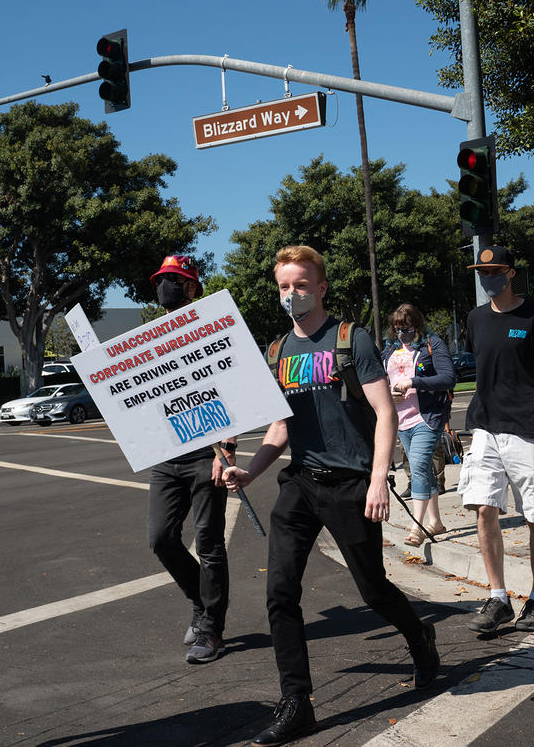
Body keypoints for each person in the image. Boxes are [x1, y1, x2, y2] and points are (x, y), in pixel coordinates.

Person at [223, 246, 440, 746]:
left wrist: (377, 479)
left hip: (351, 484)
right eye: (283, 286)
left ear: (320, 288)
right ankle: (297, 702)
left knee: (374, 590)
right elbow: (280, 425)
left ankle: (419, 636)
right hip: (300, 483)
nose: (291, 294)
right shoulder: (277, 351)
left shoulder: (350, 339)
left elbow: (385, 413)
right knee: (280, 593)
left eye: (300, 285)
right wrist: (252, 470)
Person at [458, 246, 534, 635]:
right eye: (480, 271)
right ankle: (498, 598)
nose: (486, 277)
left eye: (493, 271)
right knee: (484, 510)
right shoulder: (475, 319)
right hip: (486, 429)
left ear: (510, 273)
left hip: (527, 428)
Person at [146, 255, 235, 664]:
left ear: (193, 286)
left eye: (175, 279)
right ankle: (202, 603)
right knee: (161, 538)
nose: (166, 286)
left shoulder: (211, 328)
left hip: (207, 454)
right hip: (167, 455)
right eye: (162, 279)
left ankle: (211, 630)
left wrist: (227, 450)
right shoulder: (149, 338)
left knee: (211, 544)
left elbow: (235, 389)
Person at [381, 303, 456, 546]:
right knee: (419, 467)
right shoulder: (390, 348)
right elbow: (381, 378)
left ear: (417, 325)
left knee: (420, 465)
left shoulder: (432, 344)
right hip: (401, 419)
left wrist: (413, 382)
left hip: (428, 416)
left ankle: (418, 526)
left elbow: (448, 378)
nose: (402, 333)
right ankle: (435, 521)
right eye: (397, 328)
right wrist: (388, 393)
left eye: (407, 328)